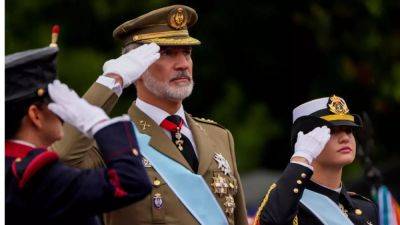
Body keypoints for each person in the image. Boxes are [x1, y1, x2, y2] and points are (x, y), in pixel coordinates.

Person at [52, 5, 248, 225]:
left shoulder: (219, 136)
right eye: (166, 53)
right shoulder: (111, 139)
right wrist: (112, 81)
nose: (183, 64)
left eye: (187, 53)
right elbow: (63, 159)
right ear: (136, 66)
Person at [5, 45, 152, 225]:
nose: (64, 112)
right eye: (55, 102)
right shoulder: (36, 177)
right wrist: (99, 124)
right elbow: (131, 182)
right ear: (35, 115)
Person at [253, 95, 379, 225]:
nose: (345, 138)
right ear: (305, 141)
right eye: (332, 131)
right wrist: (301, 157)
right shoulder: (290, 207)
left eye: (349, 130)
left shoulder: (366, 209)